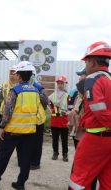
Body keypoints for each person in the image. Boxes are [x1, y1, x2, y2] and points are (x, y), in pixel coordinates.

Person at [0, 61, 46, 190]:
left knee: (3, 156)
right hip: (29, 131)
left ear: (20, 76)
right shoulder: (36, 90)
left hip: (12, 131)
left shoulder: (15, 90)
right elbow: (44, 104)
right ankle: (21, 183)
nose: (15, 75)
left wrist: (2, 126)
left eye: (17, 73)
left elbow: (8, 111)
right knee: (25, 159)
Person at [69, 41, 111, 190]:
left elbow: (100, 112)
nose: (85, 65)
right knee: (107, 181)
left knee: (78, 180)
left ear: (93, 62)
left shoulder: (92, 80)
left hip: (95, 139)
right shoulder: (109, 79)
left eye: (86, 61)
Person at [48, 75, 69, 162]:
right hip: (55, 120)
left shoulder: (68, 95)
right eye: (58, 83)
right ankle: (55, 153)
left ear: (65, 84)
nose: (60, 85)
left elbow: (69, 107)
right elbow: (49, 104)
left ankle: (65, 154)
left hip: (64, 121)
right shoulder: (53, 95)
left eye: (62, 83)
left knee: (64, 139)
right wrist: (52, 109)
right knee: (55, 139)